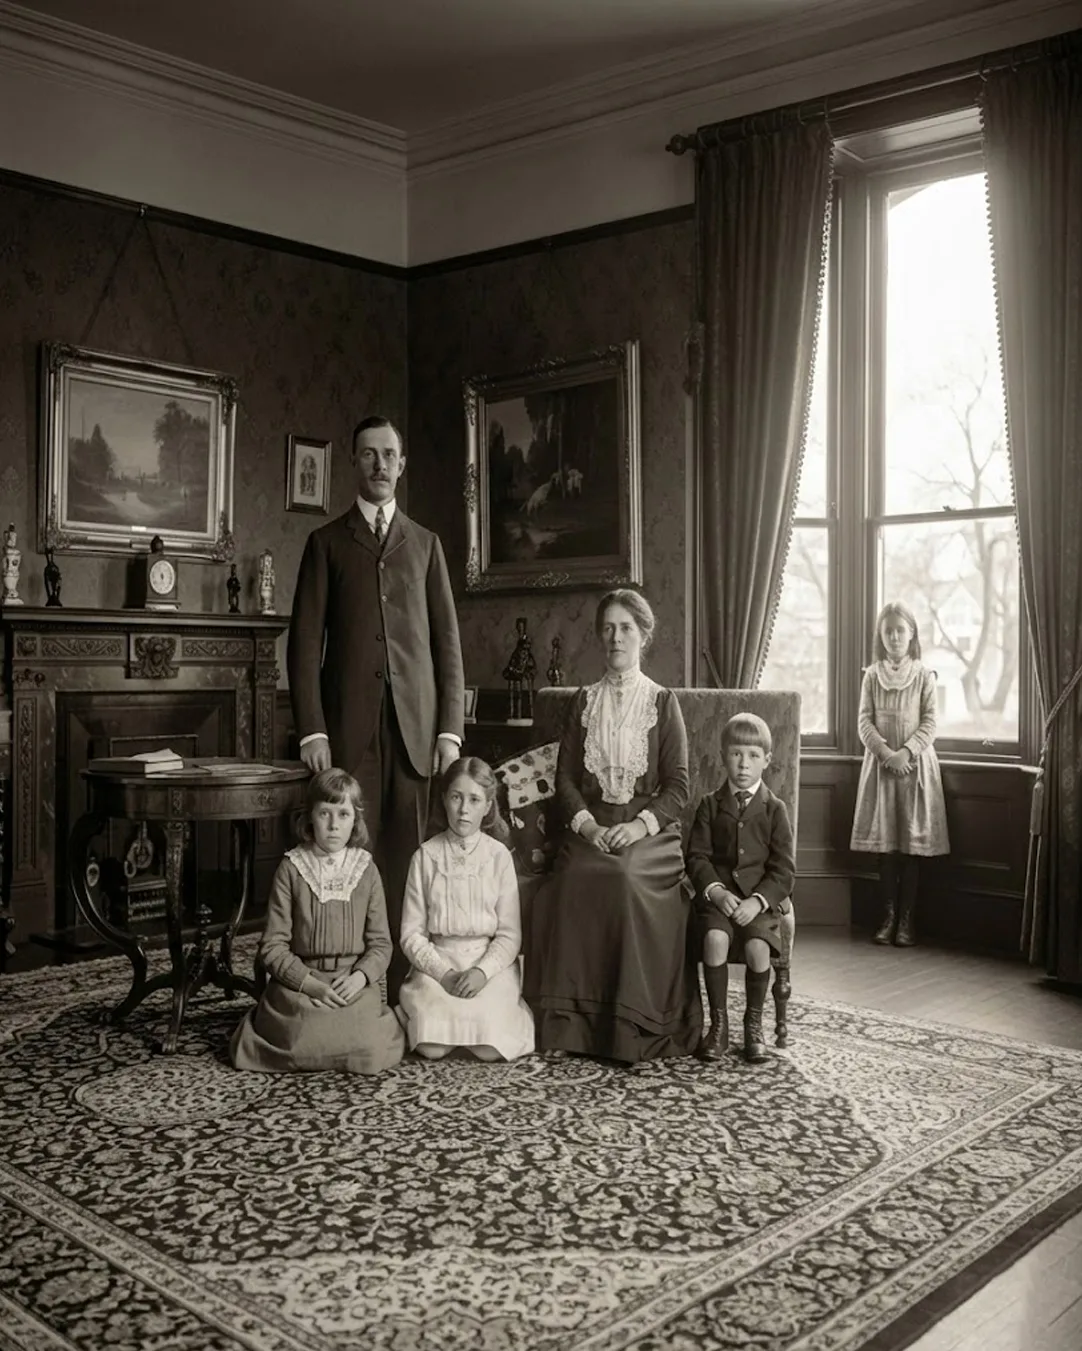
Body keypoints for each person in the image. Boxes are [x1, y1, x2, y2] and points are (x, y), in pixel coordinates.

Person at [287, 415, 465, 1002]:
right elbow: (304, 644)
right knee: (350, 855)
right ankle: (355, 988)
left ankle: (405, 988)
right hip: (348, 731)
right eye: (368, 455)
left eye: (390, 454)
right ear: (354, 464)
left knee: (408, 855)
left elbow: (447, 647)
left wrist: (450, 731)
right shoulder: (326, 544)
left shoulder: (426, 544)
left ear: (402, 463)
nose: (380, 465)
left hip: (416, 731)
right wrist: (312, 729)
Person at [521, 589, 702, 1064]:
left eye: (625, 628)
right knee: (576, 877)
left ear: (643, 635)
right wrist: (587, 827)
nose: (615, 637)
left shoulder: (663, 703)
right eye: (608, 628)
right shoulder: (583, 701)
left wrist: (642, 826)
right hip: (592, 827)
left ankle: (633, 1026)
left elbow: (678, 786)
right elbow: (563, 779)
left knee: (623, 878)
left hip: (650, 833)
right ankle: (571, 1027)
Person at [230, 768, 406, 1074]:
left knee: (368, 1045)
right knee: (297, 1039)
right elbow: (272, 947)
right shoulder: (291, 868)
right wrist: (311, 986)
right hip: (302, 984)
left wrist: (360, 978)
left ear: (356, 819)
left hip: (350, 980)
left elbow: (380, 944)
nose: (334, 825)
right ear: (310, 816)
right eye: (325, 813)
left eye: (343, 814)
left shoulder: (366, 869)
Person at [398, 757, 534, 1061]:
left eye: (474, 800)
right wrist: (443, 974)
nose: (463, 809)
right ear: (444, 799)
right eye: (457, 797)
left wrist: (482, 973)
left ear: (487, 806)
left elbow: (510, 935)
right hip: (438, 962)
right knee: (431, 1048)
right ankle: (421, 1015)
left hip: (487, 964)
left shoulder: (498, 856)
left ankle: (499, 1015)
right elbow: (411, 934)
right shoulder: (426, 856)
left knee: (488, 1049)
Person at [686, 713, 795, 1064]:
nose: (743, 764)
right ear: (722, 757)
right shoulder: (709, 804)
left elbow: (784, 869)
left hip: (758, 903)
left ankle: (753, 1026)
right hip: (719, 900)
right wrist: (716, 892)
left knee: (758, 950)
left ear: (767, 760)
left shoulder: (775, 809)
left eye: (752, 755)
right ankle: (718, 1027)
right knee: (715, 940)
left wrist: (759, 900)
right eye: (735, 754)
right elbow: (697, 857)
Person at [850, 601, 950, 947]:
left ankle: (907, 922)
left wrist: (906, 752)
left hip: (914, 768)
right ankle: (887, 917)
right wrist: (886, 754)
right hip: (881, 769)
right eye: (888, 630)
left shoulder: (923, 676)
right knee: (888, 849)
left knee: (909, 849)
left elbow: (931, 722)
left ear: (912, 635)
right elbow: (864, 721)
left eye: (900, 630)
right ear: (881, 635)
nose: (894, 637)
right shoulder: (872, 676)